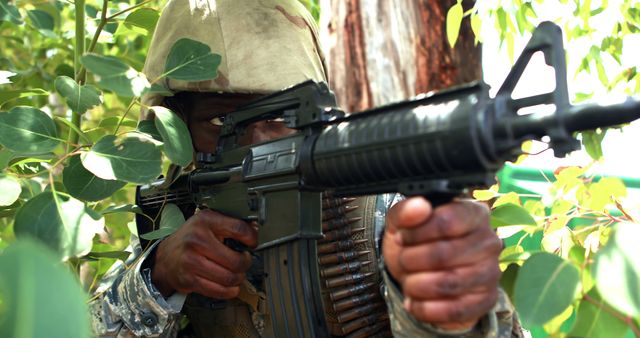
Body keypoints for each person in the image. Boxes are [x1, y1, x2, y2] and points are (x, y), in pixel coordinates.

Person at [90, 1, 523, 337]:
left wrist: (447, 309)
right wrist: (159, 277)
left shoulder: (376, 213)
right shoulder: (172, 215)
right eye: (222, 122)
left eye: (281, 116)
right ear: (175, 126)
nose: (258, 143)